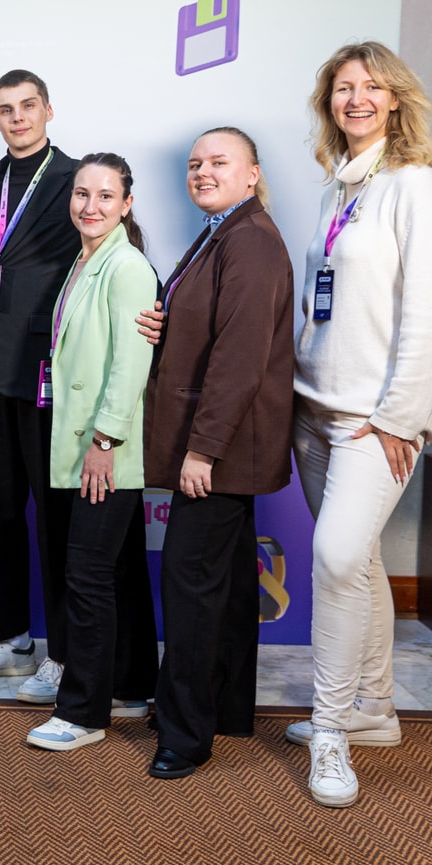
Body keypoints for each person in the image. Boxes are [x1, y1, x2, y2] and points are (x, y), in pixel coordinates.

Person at [288, 42, 432, 807]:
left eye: (370, 87)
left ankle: (329, 731)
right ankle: (374, 708)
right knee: (358, 561)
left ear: (394, 99)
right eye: (342, 87)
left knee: (333, 558)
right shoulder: (339, 187)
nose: (354, 98)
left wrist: (400, 418)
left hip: (371, 421)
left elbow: (431, 314)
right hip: (312, 411)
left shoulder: (413, 186)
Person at [138, 128, 294, 780]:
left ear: (251, 174)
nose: (202, 171)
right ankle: (226, 708)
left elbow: (239, 358)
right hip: (228, 445)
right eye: (195, 163)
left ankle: (185, 734)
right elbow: (215, 324)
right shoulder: (222, 232)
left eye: (218, 162)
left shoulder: (249, 240)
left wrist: (202, 450)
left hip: (221, 448)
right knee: (225, 587)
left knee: (191, 589)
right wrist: (167, 323)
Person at [0, 69, 79, 699]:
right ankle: (9, 640)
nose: (18, 118)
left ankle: (65, 653)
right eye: (6, 109)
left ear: (48, 110)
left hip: (48, 372)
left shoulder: (78, 181)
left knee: (56, 519)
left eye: (28, 106)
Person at [23, 154, 158, 751]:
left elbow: (131, 365)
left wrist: (106, 441)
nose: (91, 206)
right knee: (119, 572)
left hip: (104, 451)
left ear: (127, 204)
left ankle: (82, 712)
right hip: (81, 444)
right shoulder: (85, 261)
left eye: (106, 196)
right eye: (82, 194)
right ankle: (130, 685)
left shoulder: (126, 267)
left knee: (87, 577)